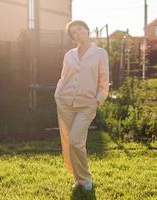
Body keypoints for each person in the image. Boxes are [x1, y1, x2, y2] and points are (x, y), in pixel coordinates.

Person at [54, 20, 109, 191]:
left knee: (75, 141)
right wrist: (58, 94)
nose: (78, 33)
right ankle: (78, 178)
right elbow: (64, 76)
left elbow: (104, 80)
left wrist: (98, 99)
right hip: (65, 101)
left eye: (80, 29)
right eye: (74, 33)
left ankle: (86, 180)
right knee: (68, 141)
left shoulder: (100, 53)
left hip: (87, 105)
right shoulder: (69, 55)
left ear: (87, 29)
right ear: (72, 37)